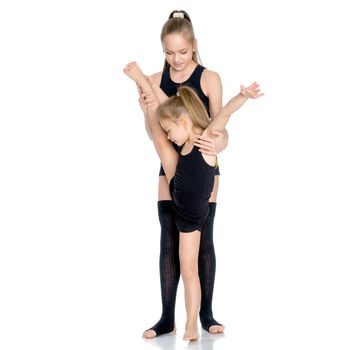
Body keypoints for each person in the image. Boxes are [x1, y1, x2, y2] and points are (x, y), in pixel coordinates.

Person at [123, 61, 263, 341]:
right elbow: (167, 110)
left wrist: (243, 97)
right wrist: (145, 89)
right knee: (159, 141)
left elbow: (224, 114)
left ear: (185, 123)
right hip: (177, 184)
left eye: (170, 128)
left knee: (189, 269)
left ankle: (192, 323)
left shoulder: (207, 138)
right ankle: (176, 321)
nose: (168, 133)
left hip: (191, 218)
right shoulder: (181, 129)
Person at [136, 10, 229, 338]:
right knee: (168, 241)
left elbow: (221, 128)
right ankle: (166, 318)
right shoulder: (153, 80)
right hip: (170, 165)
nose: (175, 59)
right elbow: (155, 136)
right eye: (168, 52)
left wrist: (218, 146)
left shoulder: (209, 78)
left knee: (204, 241)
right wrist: (147, 107)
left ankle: (206, 314)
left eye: (183, 52)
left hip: (203, 167)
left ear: (194, 46)